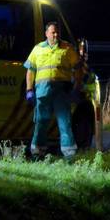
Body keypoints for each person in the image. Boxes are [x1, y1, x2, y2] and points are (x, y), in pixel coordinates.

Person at [24, 22, 80, 160]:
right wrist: (29, 89)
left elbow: (78, 68)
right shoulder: (38, 49)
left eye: (57, 32)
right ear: (46, 33)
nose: (56, 35)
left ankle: (70, 155)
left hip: (61, 91)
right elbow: (30, 71)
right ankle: (37, 153)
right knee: (41, 121)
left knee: (64, 122)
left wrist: (76, 87)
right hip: (43, 91)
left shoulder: (67, 48)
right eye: (53, 32)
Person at [71, 38, 99, 150]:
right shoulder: (80, 65)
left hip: (82, 97)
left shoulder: (83, 66)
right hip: (80, 98)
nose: (84, 53)